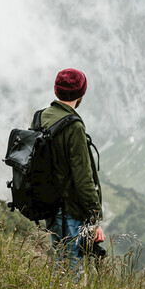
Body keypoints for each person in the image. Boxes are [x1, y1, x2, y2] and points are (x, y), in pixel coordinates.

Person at [42, 68, 105, 268]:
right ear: (81, 94)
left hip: (50, 206)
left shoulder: (42, 117)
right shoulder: (74, 126)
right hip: (70, 210)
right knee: (71, 268)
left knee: (59, 262)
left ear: (56, 90)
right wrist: (94, 219)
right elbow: (83, 177)